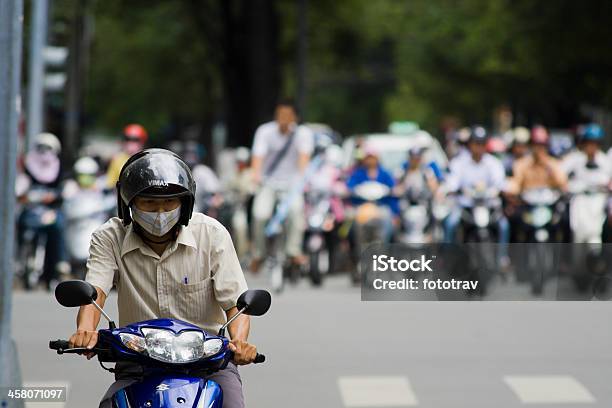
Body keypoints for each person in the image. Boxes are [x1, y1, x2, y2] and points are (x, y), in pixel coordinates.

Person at [68, 149, 256, 408]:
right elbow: (94, 291)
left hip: (208, 364)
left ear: (185, 204)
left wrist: (240, 343)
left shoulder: (211, 234)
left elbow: (237, 303)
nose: (159, 213)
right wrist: (85, 331)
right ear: (129, 203)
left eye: (169, 204)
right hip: (137, 363)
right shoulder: (109, 237)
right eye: (148, 203)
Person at [249, 99, 314, 272]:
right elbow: (258, 158)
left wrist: (302, 179)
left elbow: (303, 159)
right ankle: (258, 254)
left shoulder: (303, 134)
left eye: (288, 115)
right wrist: (256, 176)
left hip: (293, 184)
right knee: (260, 214)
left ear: (295, 117)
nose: (284, 118)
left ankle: (293, 251)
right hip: (268, 182)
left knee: (295, 211)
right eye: (280, 115)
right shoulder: (265, 131)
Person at [16, 132, 70, 289]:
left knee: (58, 228)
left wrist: (56, 196)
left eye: (48, 148)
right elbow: (20, 186)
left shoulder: (59, 168)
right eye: (41, 148)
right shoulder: (28, 166)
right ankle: (20, 259)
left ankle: (58, 264)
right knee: (21, 223)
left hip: (50, 212)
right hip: (31, 211)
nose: (44, 152)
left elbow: (64, 189)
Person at [443, 126, 509, 250]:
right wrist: (455, 189)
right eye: (476, 143)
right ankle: (447, 258)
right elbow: (452, 182)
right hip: (466, 207)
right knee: (451, 223)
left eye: (482, 143)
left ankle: (502, 259)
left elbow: (500, 183)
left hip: (488, 207)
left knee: (503, 225)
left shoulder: (494, 163)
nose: (479, 147)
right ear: (470, 144)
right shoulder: (459, 163)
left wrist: (497, 190)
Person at [346, 146, 400, 243]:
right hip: (362, 206)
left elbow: (393, 192)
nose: (371, 160)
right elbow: (350, 187)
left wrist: (395, 213)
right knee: (352, 225)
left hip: (381, 207)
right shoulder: (359, 173)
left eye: (373, 157)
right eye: (368, 157)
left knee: (387, 224)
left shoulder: (385, 174)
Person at [508, 125, 568, 195]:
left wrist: (547, 165)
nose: (539, 148)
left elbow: (562, 183)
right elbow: (516, 183)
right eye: (536, 144)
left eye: (543, 145)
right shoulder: (521, 164)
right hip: (527, 203)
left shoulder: (553, 163)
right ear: (531, 145)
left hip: (549, 202)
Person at [105, 124, 148, 188]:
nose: (130, 143)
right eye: (128, 139)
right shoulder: (117, 159)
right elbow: (110, 183)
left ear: (142, 142)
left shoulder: (147, 159)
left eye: (135, 140)